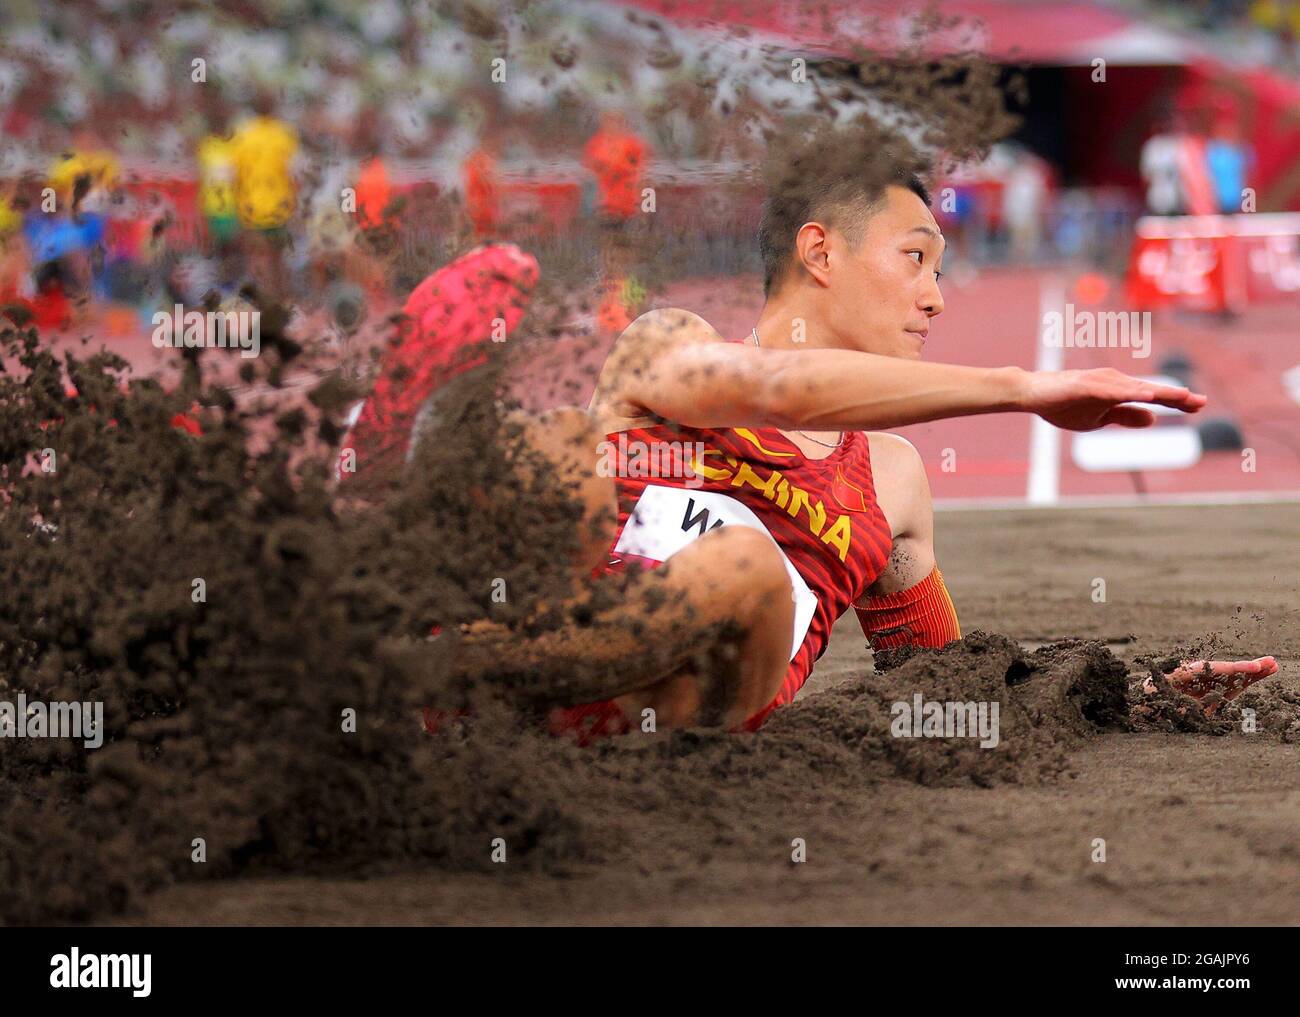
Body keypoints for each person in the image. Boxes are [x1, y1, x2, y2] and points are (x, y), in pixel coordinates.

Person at [390, 139, 1280, 742]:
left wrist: (1135, 693)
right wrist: (1020, 388)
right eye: (915, 258)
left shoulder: (892, 482)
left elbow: (950, 687)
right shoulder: (670, 346)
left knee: (737, 564)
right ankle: (401, 603)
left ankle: (444, 669)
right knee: (554, 450)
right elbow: (778, 384)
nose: (937, 297)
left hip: (689, 711)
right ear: (820, 254)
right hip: (557, 620)